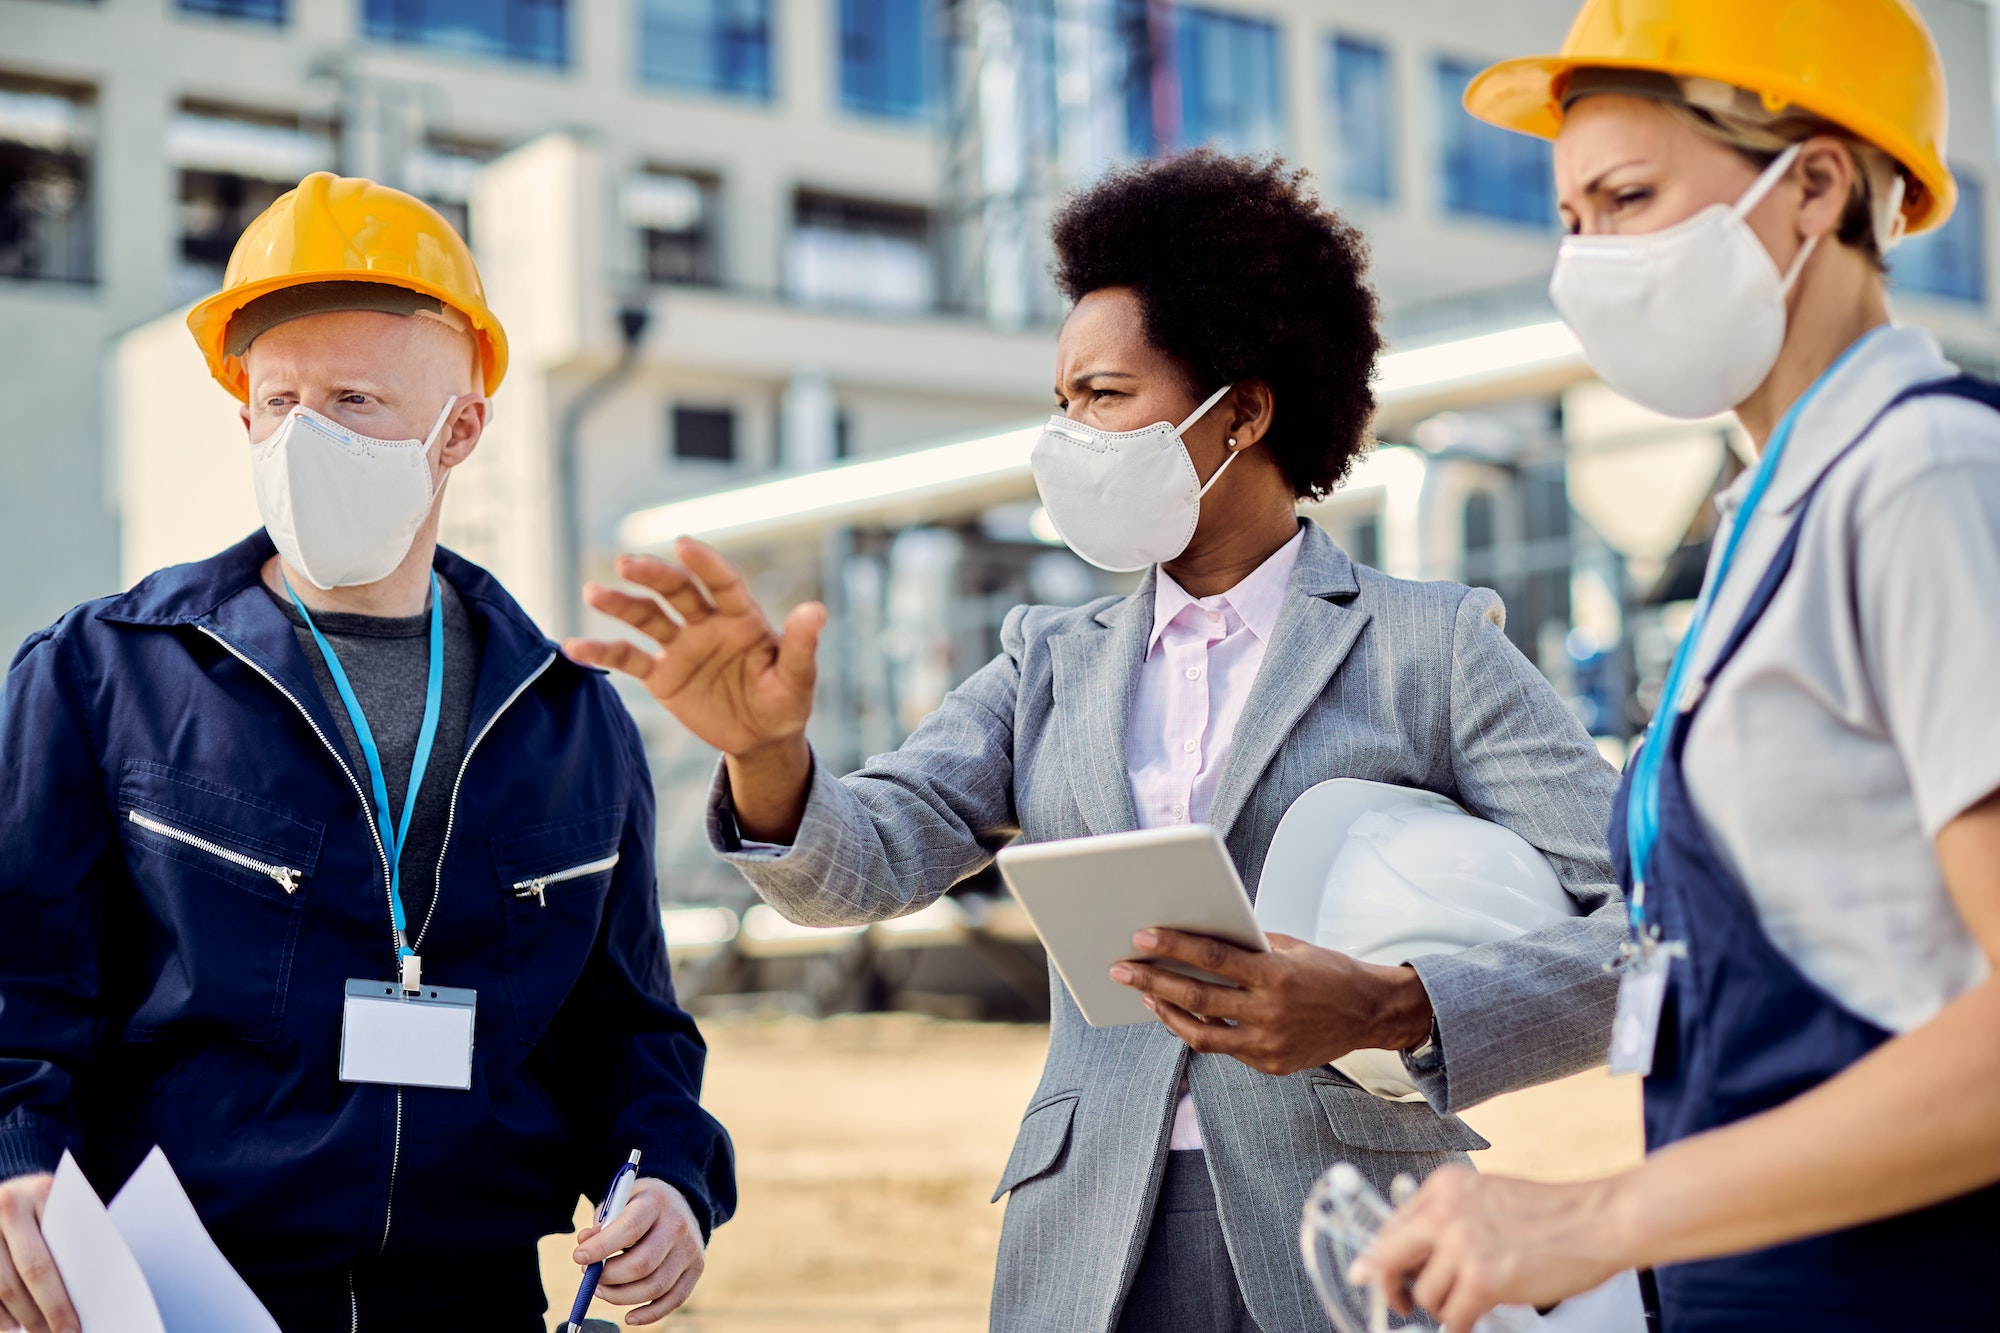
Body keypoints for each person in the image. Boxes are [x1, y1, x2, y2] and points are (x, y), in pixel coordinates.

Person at [566, 151, 1625, 1333]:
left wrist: (1392, 1004)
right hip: (1089, 1240)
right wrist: (765, 755)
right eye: (1062, 401)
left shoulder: (1426, 647)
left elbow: (1638, 942)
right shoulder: (1047, 658)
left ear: (1245, 410)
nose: (1068, 436)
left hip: (1355, 1225)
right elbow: (856, 864)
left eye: (1104, 397)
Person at [0, 173, 733, 1333]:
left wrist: (669, 1179)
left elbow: (630, 1029)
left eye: (353, 399)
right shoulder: (101, 675)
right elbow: (21, 981)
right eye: (275, 397)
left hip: (476, 1301)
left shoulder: (567, 715)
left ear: (462, 429)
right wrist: (13, 1153)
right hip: (174, 1294)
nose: (302, 438)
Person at [1359, 3, 2000, 1329]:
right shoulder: (1773, 505)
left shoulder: (1925, 479)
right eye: (1571, 218)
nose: (1583, 261)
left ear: (1816, 183)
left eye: (1629, 197)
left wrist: (1594, 1218)